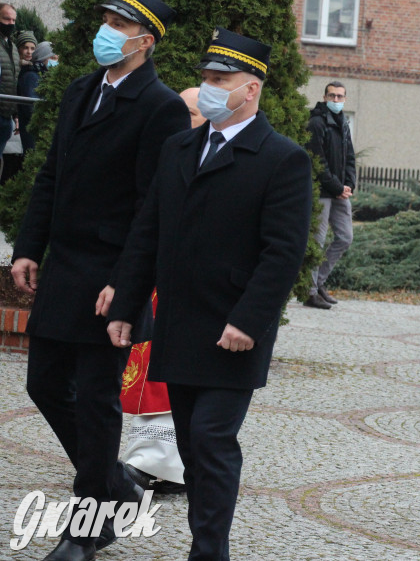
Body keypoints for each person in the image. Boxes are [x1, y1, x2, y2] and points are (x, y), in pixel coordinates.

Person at [106, 28, 313, 559]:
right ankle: (206, 543)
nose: (210, 87)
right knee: (194, 447)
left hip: (232, 331)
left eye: (221, 79)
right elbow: (147, 232)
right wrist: (128, 305)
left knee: (211, 440)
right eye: (205, 78)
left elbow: (282, 253)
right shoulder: (180, 146)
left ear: (251, 90)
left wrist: (249, 321)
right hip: (180, 327)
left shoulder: (281, 158)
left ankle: (209, 551)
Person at [11, 0, 189, 560]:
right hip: (65, 267)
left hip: (112, 275)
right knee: (43, 384)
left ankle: (87, 528)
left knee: (94, 398)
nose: (106, 32)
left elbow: (151, 207)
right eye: (106, 20)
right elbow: (50, 174)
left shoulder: (160, 106)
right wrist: (28, 246)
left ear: (144, 40)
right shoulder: (81, 89)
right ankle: (115, 484)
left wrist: (127, 283)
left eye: (118, 25)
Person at [119, 86, 209, 497]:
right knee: (149, 372)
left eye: (190, 112)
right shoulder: (172, 153)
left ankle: (163, 463)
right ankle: (157, 461)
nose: (183, 118)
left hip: (193, 287)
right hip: (157, 278)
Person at [304, 81, 357, 309]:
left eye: (340, 97)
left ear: (345, 99)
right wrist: (337, 187)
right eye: (332, 96)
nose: (336, 100)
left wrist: (348, 184)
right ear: (325, 97)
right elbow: (318, 161)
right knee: (317, 240)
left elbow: (350, 157)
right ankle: (309, 291)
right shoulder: (316, 123)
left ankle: (320, 282)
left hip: (339, 193)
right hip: (322, 191)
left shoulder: (343, 122)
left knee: (345, 237)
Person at [15, 41, 57, 150]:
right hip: (34, 132)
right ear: (44, 58)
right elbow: (31, 107)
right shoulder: (31, 76)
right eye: (53, 58)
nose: (56, 62)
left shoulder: (40, 75)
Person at [0, 3, 18, 154]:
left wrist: (15, 114)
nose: (11, 23)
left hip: (6, 115)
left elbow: (13, 80)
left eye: (13, 20)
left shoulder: (12, 47)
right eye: (6, 19)